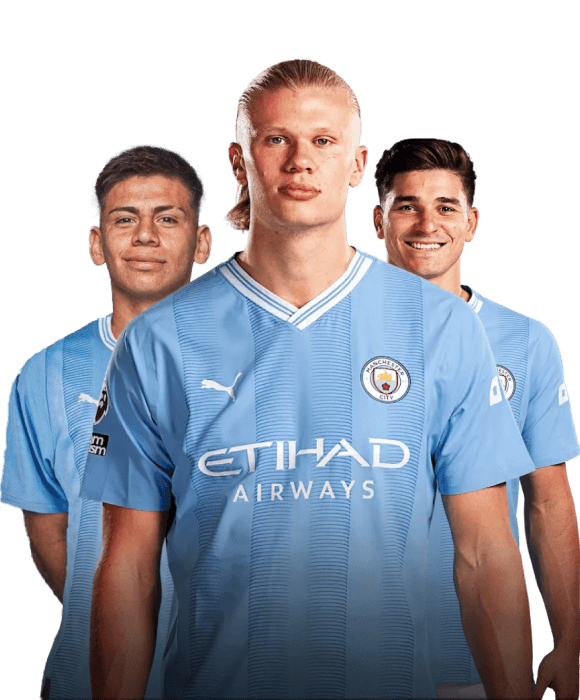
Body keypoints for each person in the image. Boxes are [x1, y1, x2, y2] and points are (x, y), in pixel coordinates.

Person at [81, 61, 539, 699]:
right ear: (239, 161)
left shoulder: (440, 326)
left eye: (323, 141)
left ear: (356, 163)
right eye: (277, 139)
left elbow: (486, 552)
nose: (301, 161)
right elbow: (129, 569)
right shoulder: (159, 339)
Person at [0, 144, 211, 699]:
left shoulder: (258, 365)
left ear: (202, 242)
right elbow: (49, 533)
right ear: (97, 244)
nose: (145, 236)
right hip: (89, 681)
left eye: (168, 218)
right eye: (124, 219)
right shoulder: (46, 373)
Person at [373, 137, 580, 700]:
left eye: (446, 207)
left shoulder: (526, 341)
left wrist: (569, 641)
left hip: (481, 659)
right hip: (353, 651)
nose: (427, 224)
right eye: (407, 205)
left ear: (471, 223)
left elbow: (547, 499)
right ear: (378, 220)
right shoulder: (328, 334)